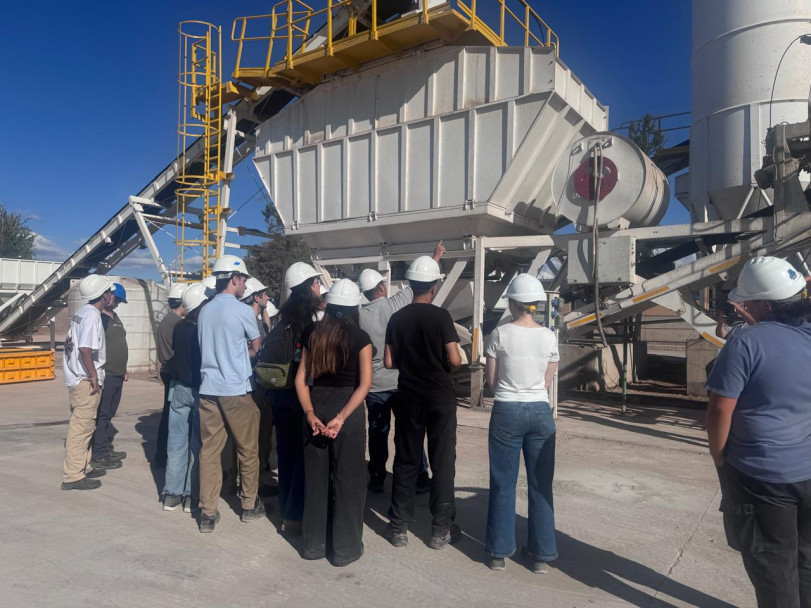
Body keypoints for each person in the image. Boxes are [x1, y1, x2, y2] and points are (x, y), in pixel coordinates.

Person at [706, 256, 811, 607]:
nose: (741, 307)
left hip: (763, 475)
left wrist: (720, 457)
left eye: (747, 302)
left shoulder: (745, 343)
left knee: (773, 567)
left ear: (765, 303)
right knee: (806, 560)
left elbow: (721, 408)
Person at [384, 255, 462, 549]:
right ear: (433, 286)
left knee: (406, 460)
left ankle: (398, 527)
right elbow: (454, 359)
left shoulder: (396, 318)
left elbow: (390, 362)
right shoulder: (441, 317)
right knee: (442, 462)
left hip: (408, 396)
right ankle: (440, 530)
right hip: (440, 398)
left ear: (411, 284)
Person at [483, 274, 559, 573]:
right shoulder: (549, 336)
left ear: (513, 303)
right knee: (541, 485)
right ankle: (542, 556)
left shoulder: (500, 335)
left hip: (507, 410)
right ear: (535, 305)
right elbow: (547, 381)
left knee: (503, 483)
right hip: (540, 412)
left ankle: (499, 553)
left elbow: (491, 383)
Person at [295, 279, 373, 566]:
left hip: (316, 403)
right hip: (347, 412)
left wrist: (310, 414)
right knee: (349, 481)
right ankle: (345, 550)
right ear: (354, 307)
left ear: (328, 305)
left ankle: (313, 546)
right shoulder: (361, 338)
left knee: (316, 481)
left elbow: (300, 380)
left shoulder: (312, 334)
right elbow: (364, 385)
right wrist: (340, 418)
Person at [359, 241, 445, 494]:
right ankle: (419, 477)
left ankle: (376, 478)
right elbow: (419, 287)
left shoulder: (359, 315)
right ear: (382, 287)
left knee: (377, 433)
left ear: (364, 293)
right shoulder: (391, 305)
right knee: (409, 431)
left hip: (373, 387)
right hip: (399, 383)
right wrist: (435, 256)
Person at [196, 255, 265, 533]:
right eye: (244, 280)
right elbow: (256, 346)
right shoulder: (242, 311)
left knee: (209, 452)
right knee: (248, 450)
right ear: (235, 279)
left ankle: (208, 513)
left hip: (207, 390)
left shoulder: (204, 311)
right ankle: (249, 505)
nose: (245, 285)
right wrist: (239, 356)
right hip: (235, 390)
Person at [266, 261, 323, 535]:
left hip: (279, 397)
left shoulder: (280, 321)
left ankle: (287, 511)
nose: (320, 287)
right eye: (317, 282)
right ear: (309, 286)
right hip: (302, 398)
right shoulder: (314, 321)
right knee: (303, 458)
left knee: (287, 455)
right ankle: (297, 514)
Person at [60, 275, 115, 490]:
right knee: (81, 427)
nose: (112, 295)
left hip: (75, 377)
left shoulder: (82, 312)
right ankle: (73, 475)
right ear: (103, 295)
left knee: (85, 424)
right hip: (84, 380)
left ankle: (84, 465)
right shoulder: (92, 316)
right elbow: (85, 349)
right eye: (110, 291)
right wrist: (93, 375)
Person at [162, 282, 208, 514]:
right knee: (196, 445)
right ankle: (191, 495)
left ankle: (171, 494)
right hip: (198, 390)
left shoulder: (180, 327)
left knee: (176, 443)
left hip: (179, 389)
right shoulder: (203, 330)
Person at [242, 276, 279, 489]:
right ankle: (255, 477)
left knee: (264, 431)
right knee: (257, 433)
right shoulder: (248, 320)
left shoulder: (257, 319)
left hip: (260, 384)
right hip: (253, 385)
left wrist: (264, 311)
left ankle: (261, 470)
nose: (268, 297)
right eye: (264, 295)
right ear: (255, 297)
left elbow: (266, 332)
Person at [90, 282, 129, 472]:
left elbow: (119, 342)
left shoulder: (114, 317)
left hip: (119, 373)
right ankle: (98, 454)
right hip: (108, 374)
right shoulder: (98, 318)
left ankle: (105, 447)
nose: (118, 303)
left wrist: (124, 368)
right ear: (109, 296)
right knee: (103, 414)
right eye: (117, 299)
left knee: (109, 414)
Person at [155, 282, 187, 467]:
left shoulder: (167, 320)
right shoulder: (177, 324)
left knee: (168, 414)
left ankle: (161, 455)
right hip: (173, 373)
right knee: (171, 416)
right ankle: (164, 455)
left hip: (167, 370)